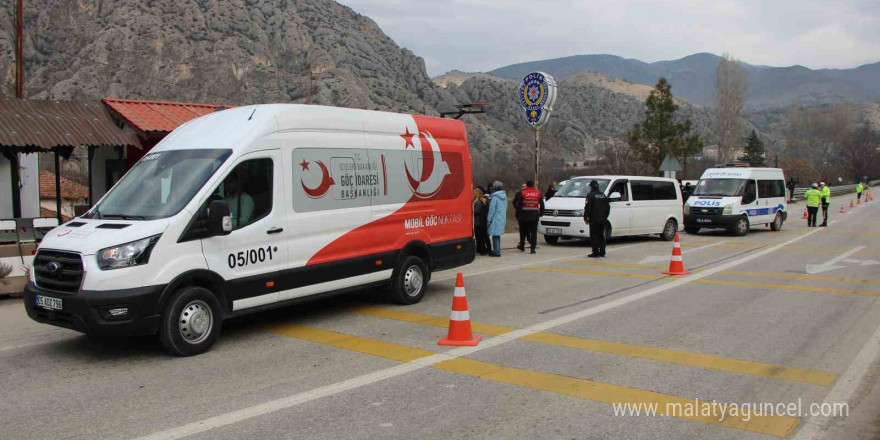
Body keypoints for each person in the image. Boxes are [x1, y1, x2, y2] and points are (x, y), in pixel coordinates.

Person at [583, 180, 610, 258]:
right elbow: (608, 208)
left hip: (594, 220)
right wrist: (605, 216)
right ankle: (602, 251)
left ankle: (595, 252)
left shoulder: (590, 195)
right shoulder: (603, 195)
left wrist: (586, 218)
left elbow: (587, 208)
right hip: (602, 219)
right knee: (601, 235)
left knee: (594, 236)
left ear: (591, 187)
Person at [516, 180, 544, 254]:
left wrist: (518, 214)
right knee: (534, 233)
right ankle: (532, 249)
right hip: (535, 216)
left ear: (527, 185)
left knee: (523, 232)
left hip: (524, 216)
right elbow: (542, 204)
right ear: (533, 185)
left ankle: (522, 246)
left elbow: (519, 205)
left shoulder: (523, 193)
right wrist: (541, 213)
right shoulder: (538, 193)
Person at [487, 181, 507, 257]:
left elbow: (491, 210)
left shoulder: (494, 197)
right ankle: (497, 250)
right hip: (502, 217)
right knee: (497, 234)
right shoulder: (504, 196)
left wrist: (489, 220)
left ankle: (497, 252)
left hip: (495, 218)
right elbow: (506, 208)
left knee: (495, 235)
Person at [473, 187, 490, 255]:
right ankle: (482, 250)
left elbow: (476, 212)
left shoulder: (477, 202)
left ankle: (482, 250)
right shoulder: (483, 201)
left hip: (478, 222)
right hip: (482, 221)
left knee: (479, 237)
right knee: (482, 237)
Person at [513, 183, 527, 249]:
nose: (524, 187)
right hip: (520, 213)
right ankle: (522, 242)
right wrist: (517, 208)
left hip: (527, 213)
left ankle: (527, 240)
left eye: (525, 186)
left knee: (527, 229)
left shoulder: (528, 194)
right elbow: (514, 201)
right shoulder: (518, 193)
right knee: (521, 229)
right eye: (523, 186)